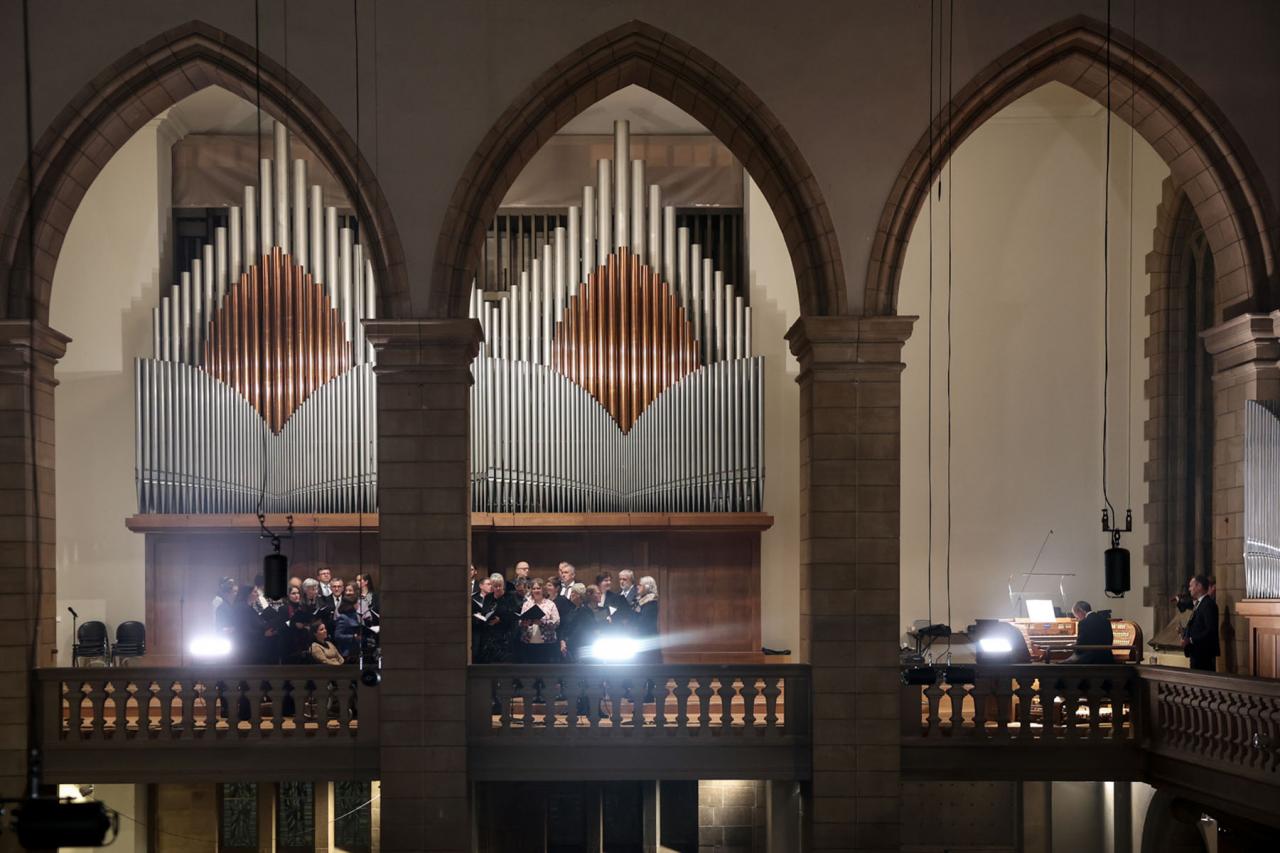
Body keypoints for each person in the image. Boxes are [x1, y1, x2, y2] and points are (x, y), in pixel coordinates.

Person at [476, 573, 519, 663]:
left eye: (500, 586)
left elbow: (514, 615)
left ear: (503, 585)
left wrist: (501, 620)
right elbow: (485, 611)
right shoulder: (488, 597)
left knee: (504, 661)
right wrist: (483, 616)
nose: (498, 588)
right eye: (495, 586)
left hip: (505, 635)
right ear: (492, 586)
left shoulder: (510, 597)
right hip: (490, 635)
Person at [1181, 575, 1220, 671]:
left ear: (1199, 586)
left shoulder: (1208, 604)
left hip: (1203, 653)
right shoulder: (1199, 603)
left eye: (1191, 586)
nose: (1189, 589)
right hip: (1196, 652)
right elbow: (1198, 625)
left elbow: (1210, 630)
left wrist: (1190, 639)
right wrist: (1185, 632)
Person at [517, 581, 560, 663]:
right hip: (528, 642)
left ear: (542, 590)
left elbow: (556, 622)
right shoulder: (527, 604)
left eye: (538, 588)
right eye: (534, 588)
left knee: (544, 670)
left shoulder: (550, 604)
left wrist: (542, 622)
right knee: (530, 671)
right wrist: (524, 623)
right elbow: (520, 621)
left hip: (546, 642)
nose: (536, 590)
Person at [559, 583, 597, 661]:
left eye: (573, 592)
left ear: (579, 595)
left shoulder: (586, 611)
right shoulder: (570, 609)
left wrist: (568, 641)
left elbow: (586, 628)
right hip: (569, 645)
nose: (571, 594)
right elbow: (565, 626)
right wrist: (562, 640)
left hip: (582, 646)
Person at [633, 575, 661, 663]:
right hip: (643, 638)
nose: (637, 587)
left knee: (649, 664)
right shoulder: (641, 601)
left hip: (648, 638)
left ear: (647, 587)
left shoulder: (651, 602)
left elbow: (643, 621)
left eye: (640, 585)